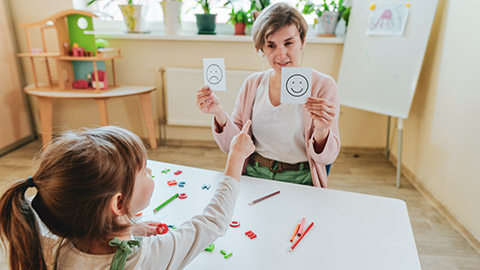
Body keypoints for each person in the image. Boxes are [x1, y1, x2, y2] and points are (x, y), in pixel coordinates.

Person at [0, 123, 254, 270]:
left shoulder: (53, 246)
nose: (151, 171)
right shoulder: (142, 259)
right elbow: (213, 222)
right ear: (118, 203)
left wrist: (130, 227)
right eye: (144, 171)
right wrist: (236, 158)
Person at [196, 3, 340, 188]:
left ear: (302, 41)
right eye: (271, 45)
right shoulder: (253, 84)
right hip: (254, 173)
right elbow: (230, 147)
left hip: (302, 180)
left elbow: (326, 157)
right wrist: (219, 114)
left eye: (288, 43)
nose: (281, 54)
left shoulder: (323, 86)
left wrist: (322, 130)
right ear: (262, 49)